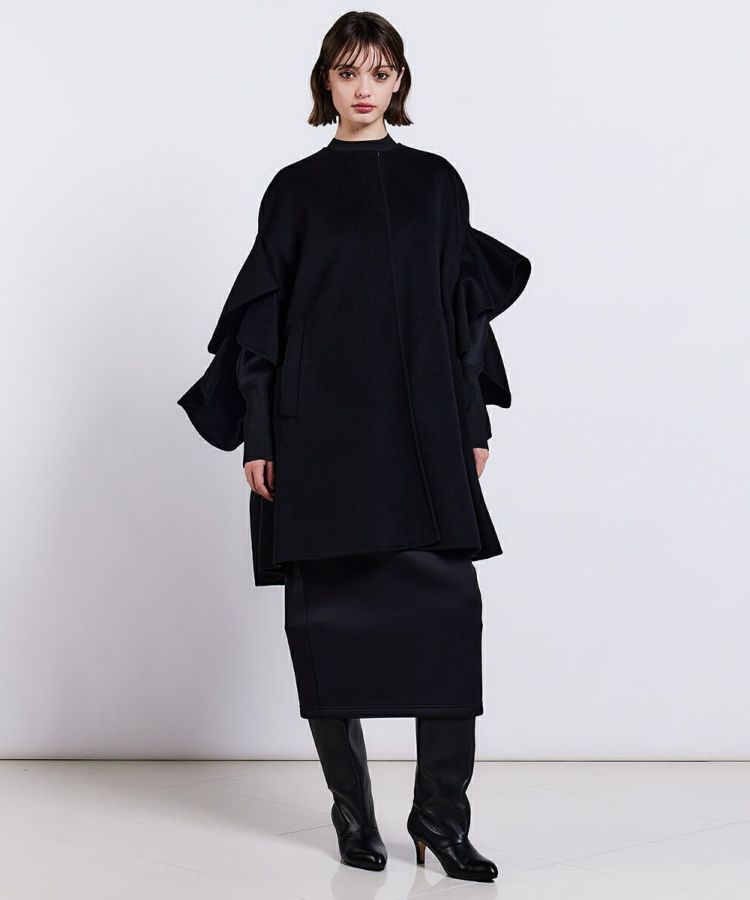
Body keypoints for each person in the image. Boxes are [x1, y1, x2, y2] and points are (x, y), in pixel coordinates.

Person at [177, 11, 531, 884]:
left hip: (422, 436)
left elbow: (461, 316)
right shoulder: (294, 191)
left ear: (399, 80)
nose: (364, 87)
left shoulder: (436, 183)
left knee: (450, 621)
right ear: (325, 83)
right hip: (320, 438)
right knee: (327, 624)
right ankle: (352, 814)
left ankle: (440, 818)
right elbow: (264, 324)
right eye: (347, 71)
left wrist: (473, 425)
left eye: (378, 71)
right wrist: (260, 435)